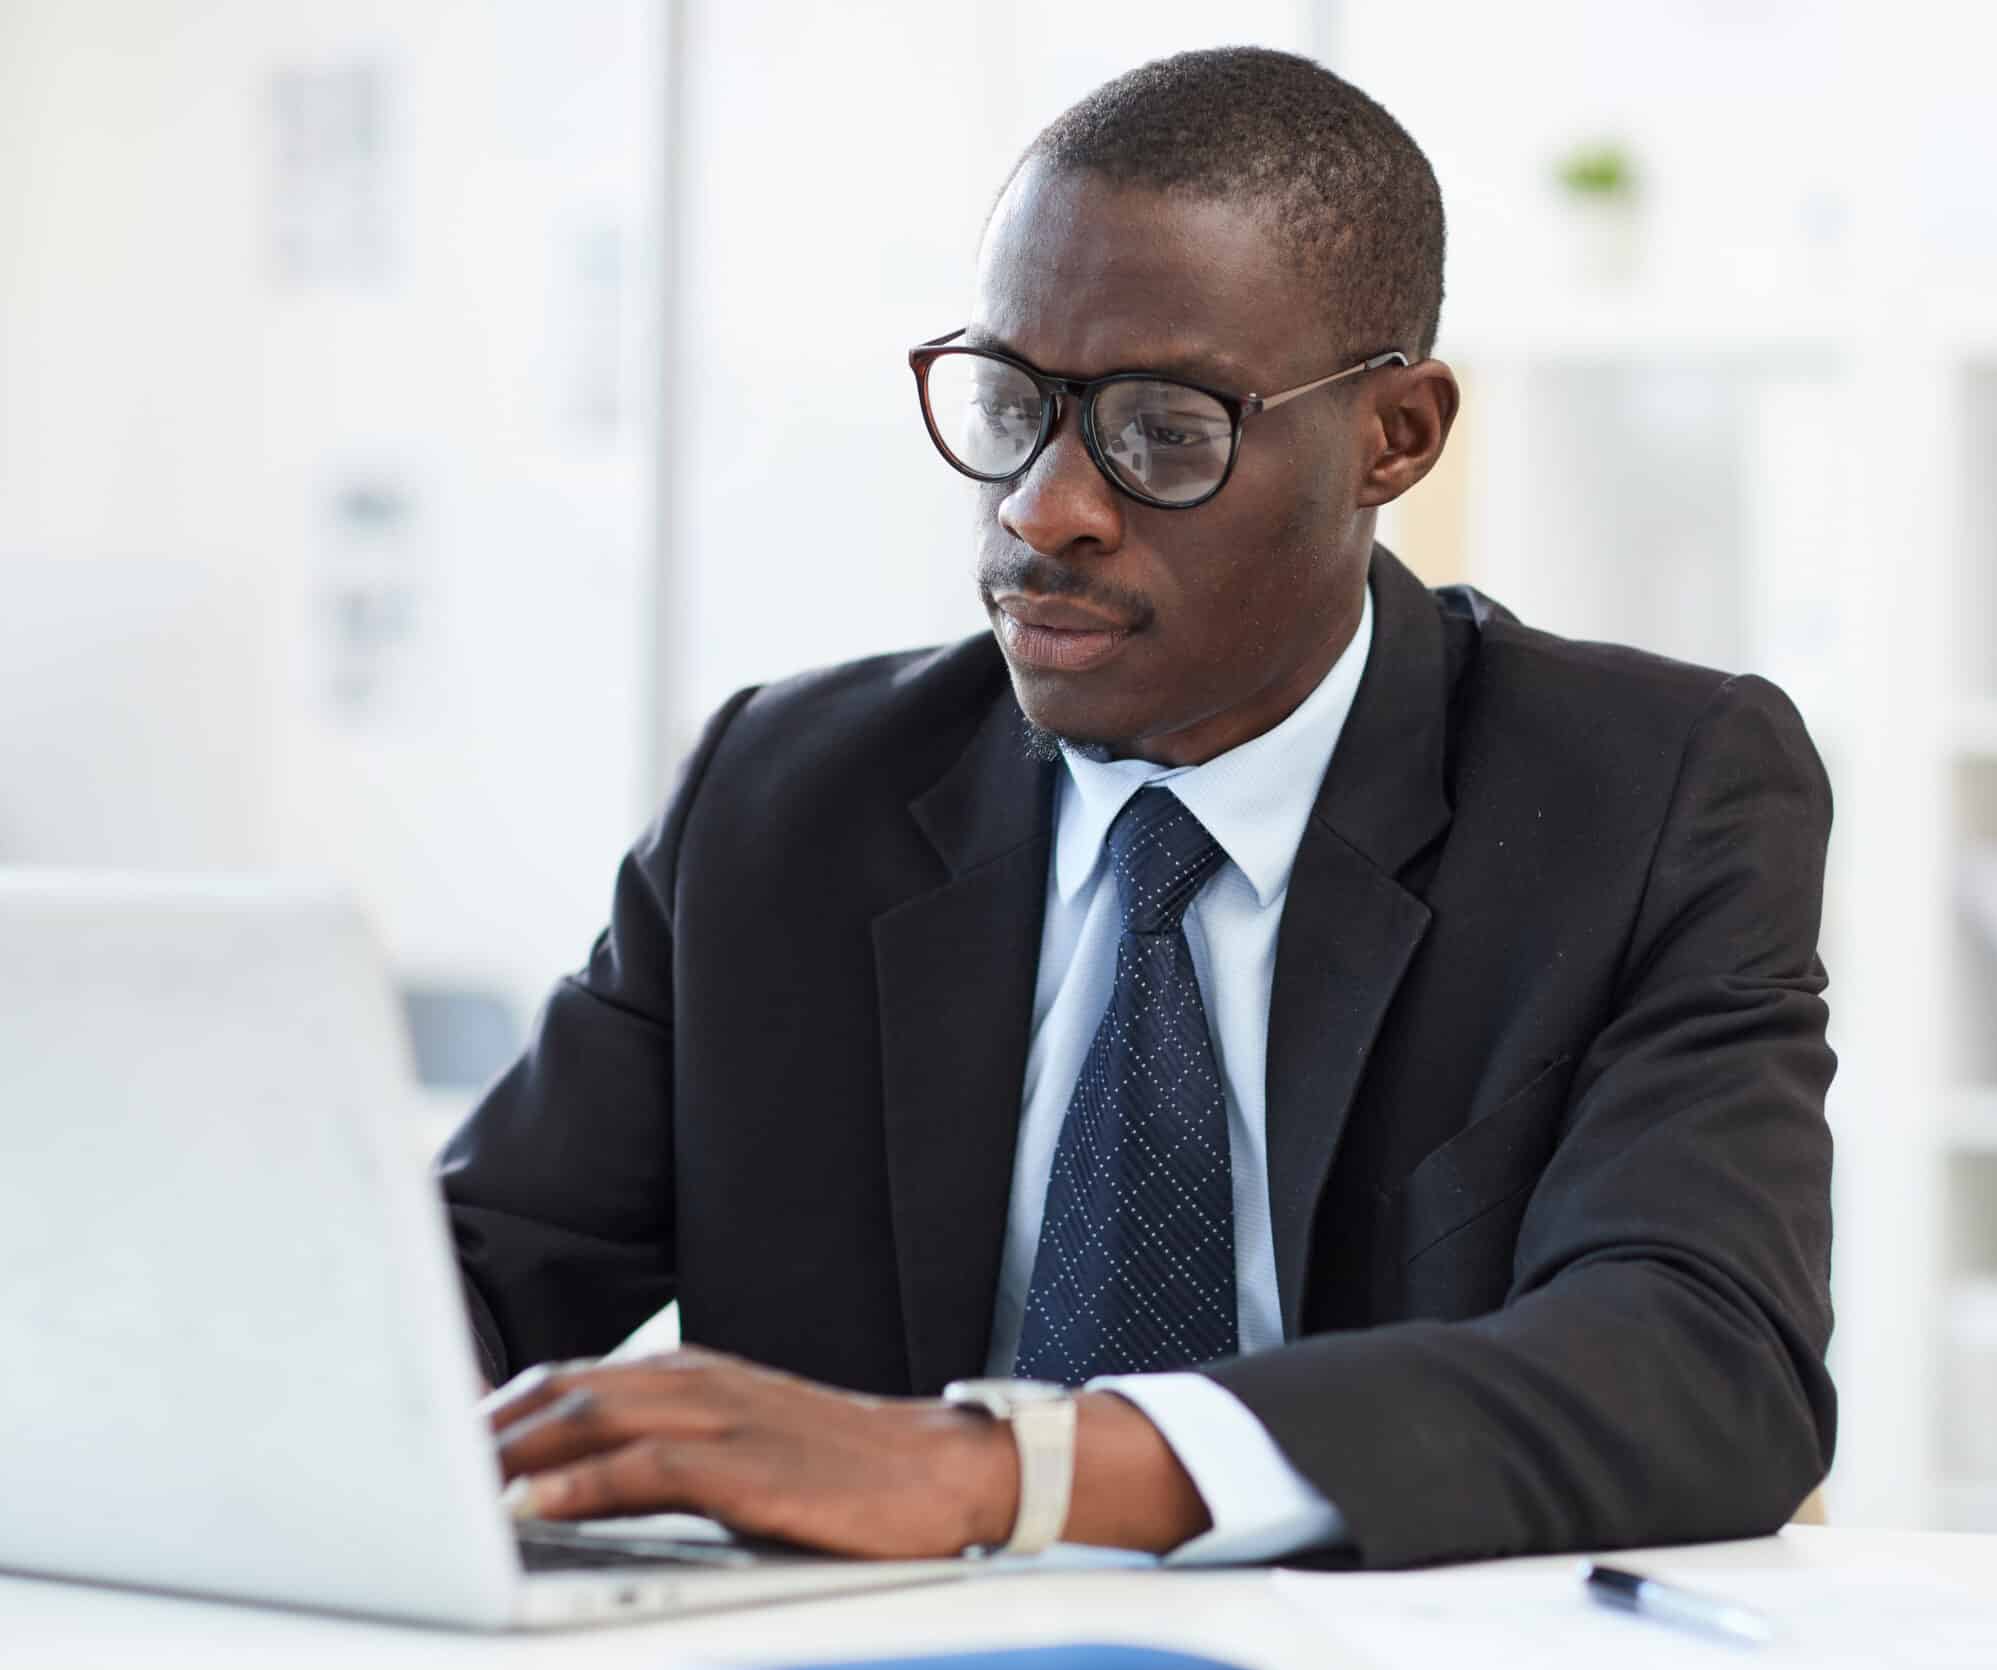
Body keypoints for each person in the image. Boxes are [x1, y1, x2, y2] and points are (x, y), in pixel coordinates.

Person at [449, 45, 1835, 1571]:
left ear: (1398, 437)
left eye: (1163, 429)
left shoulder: (1645, 791)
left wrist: (1004, 1474)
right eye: (1009, 402)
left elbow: (1705, 1362)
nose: (1043, 507)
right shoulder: (785, 798)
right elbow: (472, 1279)